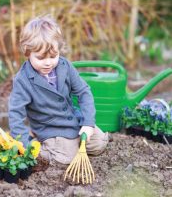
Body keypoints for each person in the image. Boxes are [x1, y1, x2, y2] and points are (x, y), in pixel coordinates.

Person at [8, 15, 108, 164]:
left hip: (74, 120)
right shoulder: (23, 80)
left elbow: (83, 92)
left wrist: (88, 123)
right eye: (41, 58)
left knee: (99, 142)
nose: (48, 63)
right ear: (27, 52)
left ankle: (70, 143)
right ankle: (40, 146)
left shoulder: (64, 66)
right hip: (50, 128)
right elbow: (15, 113)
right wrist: (24, 146)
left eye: (53, 56)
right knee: (67, 158)